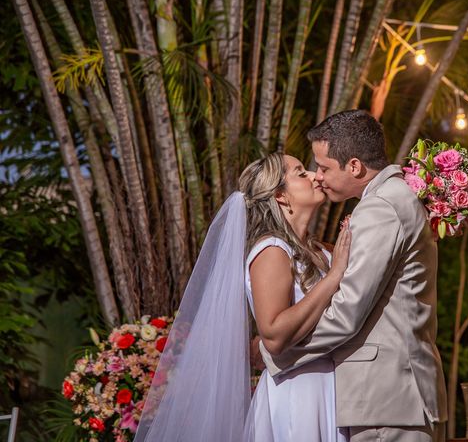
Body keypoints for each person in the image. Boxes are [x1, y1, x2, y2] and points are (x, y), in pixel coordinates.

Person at [134, 153, 351, 442]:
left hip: (334, 387)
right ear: (280, 196)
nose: (314, 176)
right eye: (301, 173)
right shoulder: (272, 251)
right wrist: (335, 276)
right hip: (298, 395)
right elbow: (273, 333)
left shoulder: (324, 251)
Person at [260, 110, 448, 442]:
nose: (318, 177)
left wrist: (278, 352)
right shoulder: (395, 197)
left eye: (323, 167)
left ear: (355, 166)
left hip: (388, 399)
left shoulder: (380, 207)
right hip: (392, 399)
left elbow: (348, 313)